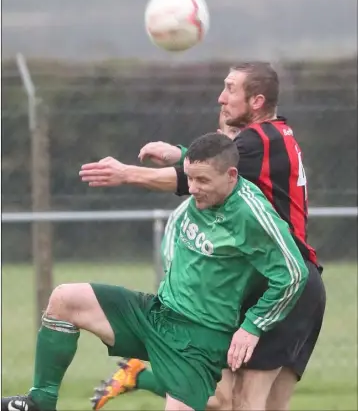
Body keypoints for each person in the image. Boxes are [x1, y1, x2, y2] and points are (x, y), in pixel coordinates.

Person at [79, 62, 326, 410]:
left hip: (284, 285)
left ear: (256, 101)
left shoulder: (259, 141)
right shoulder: (274, 135)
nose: (220, 97)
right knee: (232, 399)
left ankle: (138, 377)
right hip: (292, 284)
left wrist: (126, 173)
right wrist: (180, 153)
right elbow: (218, 164)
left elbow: (195, 177)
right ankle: (139, 377)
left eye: (229, 89)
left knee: (243, 402)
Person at [2, 133, 312, 411]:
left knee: (219, 400)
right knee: (65, 299)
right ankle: (40, 401)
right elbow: (178, 226)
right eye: (189, 179)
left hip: (198, 341)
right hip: (157, 313)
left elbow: (294, 273)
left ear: (231, 176)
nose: (192, 188)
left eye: (202, 181)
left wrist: (252, 326)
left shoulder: (251, 213)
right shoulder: (202, 197)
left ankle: (141, 378)